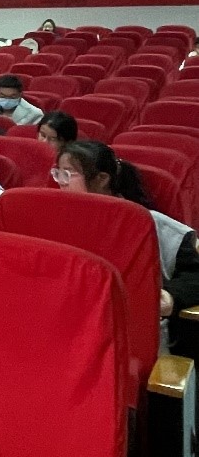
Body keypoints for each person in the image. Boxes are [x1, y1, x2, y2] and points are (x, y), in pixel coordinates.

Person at [55, 140, 199, 330]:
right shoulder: (57, 219)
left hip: (133, 328)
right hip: (73, 318)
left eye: (68, 173)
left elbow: (195, 276)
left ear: (102, 179)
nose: (60, 181)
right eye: (58, 173)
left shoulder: (150, 223)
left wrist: (171, 296)